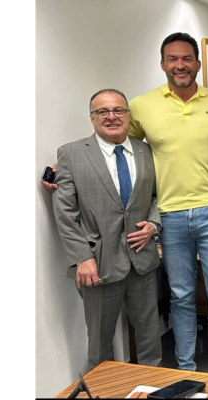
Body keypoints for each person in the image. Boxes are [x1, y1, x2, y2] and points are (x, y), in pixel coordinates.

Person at [127, 32, 208, 374]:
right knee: (181, 297)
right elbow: (121, 149)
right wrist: (67, 168)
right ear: (162, 64)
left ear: (198, 64)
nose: (180, 65)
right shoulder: (141, 106)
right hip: (169, 215)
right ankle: (186, 368)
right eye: (173, 59)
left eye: (187, 58)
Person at [52, 88, 162, 370]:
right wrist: (82, 258)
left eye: (118, 110)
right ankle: (103, 389)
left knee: (150, 337)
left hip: (143, 260)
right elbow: (65, 212)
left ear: (128, 115)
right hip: (97, 264)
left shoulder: (146, 151)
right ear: (92, 118)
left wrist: (154, 224)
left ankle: (153, 386)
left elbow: (156, 196)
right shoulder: (71, 154)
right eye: (103, 111)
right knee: (100, 342)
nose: (112, 116)